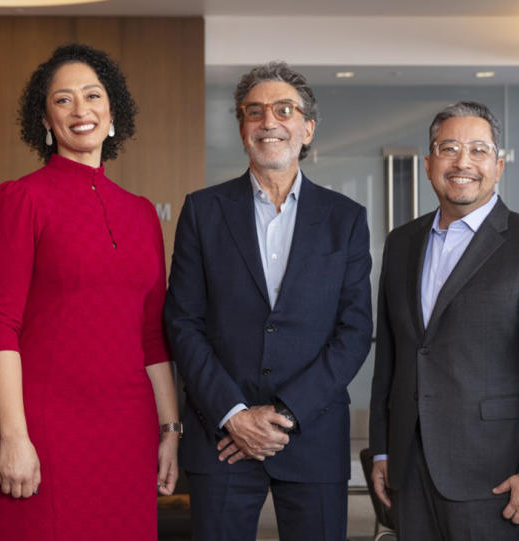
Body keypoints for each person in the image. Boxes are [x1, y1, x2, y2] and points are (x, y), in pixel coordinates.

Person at [0, 43, 179, 541]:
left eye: (92, 95)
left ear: (113, 114)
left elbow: (152, 335)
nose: (80, 110)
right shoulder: (19, 199)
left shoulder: (141, 213)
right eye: (63, 100)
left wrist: (170, 430)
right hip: (46, 427)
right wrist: (14, 436)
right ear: (45, 119)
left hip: (129, 429)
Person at [163, 61, 373, 541]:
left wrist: (286, 413)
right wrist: (235, 416)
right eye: (254, 112)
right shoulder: (203, 210)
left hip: (313, 432)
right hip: (222, 437)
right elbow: (183, 321)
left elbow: (354, 330)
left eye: (284, 110)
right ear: (242, 129)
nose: (268, 122)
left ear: (307, 127)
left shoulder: (346, 218)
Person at [369, 101, 519, 540]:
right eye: (449, 149)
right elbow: (390, 356)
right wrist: (383, 450)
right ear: (429, 164)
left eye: (479, 150)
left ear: (498, 166)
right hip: (410, 470)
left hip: (499, 478)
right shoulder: (401, 243)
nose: (463, 162)